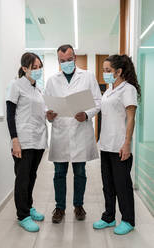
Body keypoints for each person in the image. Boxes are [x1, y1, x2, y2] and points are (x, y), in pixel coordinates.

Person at [45, 44, 102, 223]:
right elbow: (46, 104)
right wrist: (49, 114)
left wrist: (86, 114)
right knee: (59, 173)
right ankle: (60, 208)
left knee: (80, 172)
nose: (66, 63)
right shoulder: (52, 80)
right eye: (62, 61)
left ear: (75, 57)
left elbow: (98, 102)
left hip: (80, 130)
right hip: (61, 131)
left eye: (69, 60)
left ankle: (78, 205)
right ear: (58, 61)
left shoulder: (88, 76)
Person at [93, 54, 141, 235]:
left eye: (108, 71)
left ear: (119, 71)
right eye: (104, 70)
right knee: (108, 185)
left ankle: (128, 220)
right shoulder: (109, 90)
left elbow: (131, 118)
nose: (104, 74)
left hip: (120, 146)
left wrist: (127, 143)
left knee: (122, 185)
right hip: (106, 145)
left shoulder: (127, 89)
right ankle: (109, 217)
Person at [6, 52, 47, 232]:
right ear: (25, 69)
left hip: (38, 140)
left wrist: (49, 114)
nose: (38, 70)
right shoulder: (16, 85)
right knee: (22, 178)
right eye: (34, 67)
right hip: (23, 140)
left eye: (40, 67)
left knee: (32, 176)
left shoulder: (38, 89)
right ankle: (22, 215)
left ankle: (29, 207)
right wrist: (15, 140)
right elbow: (10, 114)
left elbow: (39, 114)